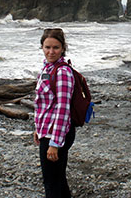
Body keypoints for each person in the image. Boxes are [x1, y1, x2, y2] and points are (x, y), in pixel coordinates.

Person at [34, 28, 75, 197]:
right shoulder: (47, 68)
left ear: (63, 48)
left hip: (57, 133)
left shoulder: (62, 72)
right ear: (42, 47)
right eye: (47, 47)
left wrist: (54, 143)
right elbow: (43, 105)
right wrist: (38, 128)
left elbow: (63, 109)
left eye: (56, 47)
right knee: (57, 178)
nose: (51, 52)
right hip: (47, 130)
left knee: (51, 182)